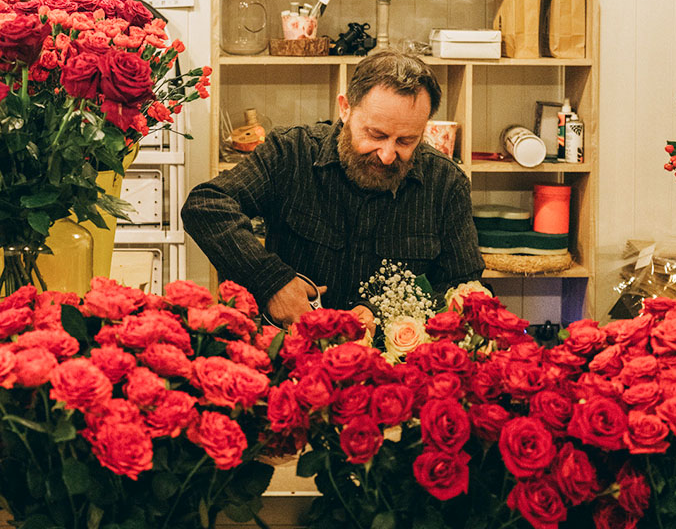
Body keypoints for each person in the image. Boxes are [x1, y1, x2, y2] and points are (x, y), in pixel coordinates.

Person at [182, 51, 483, 330]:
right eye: (375, 134)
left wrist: (386, 311)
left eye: (406, 141)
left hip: (390, 361)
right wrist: (271, 281)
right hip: (288, 350)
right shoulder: (291, 153)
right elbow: (207, 205)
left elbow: (462, 287)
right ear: (345, 108)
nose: (387, 155)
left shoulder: (446, 183)